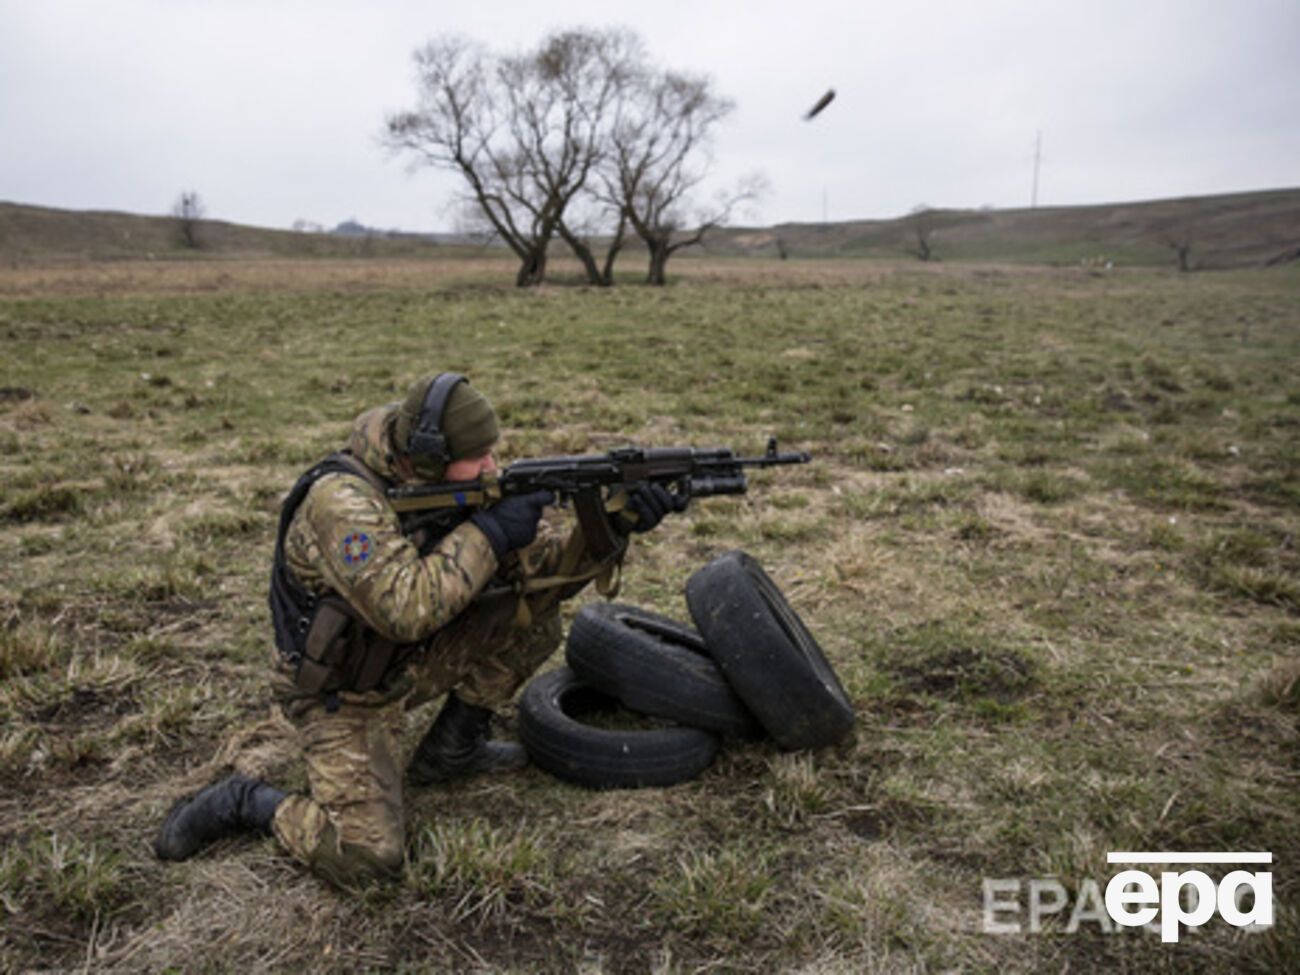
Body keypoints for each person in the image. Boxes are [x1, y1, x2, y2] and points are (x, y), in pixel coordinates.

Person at [154, 372, 685, 887]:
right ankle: (245, 800)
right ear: (427, 459)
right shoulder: (341, 502)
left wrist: (613, 525)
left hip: (407, 661)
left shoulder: (451, 480)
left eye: (491, 452)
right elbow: (405, 607)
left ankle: (453, 749)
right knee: (368, 859)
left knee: (535, 621)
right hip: (344, 691)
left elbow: (545, 578)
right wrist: (490, 533)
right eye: (476, 459)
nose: (491, 467)